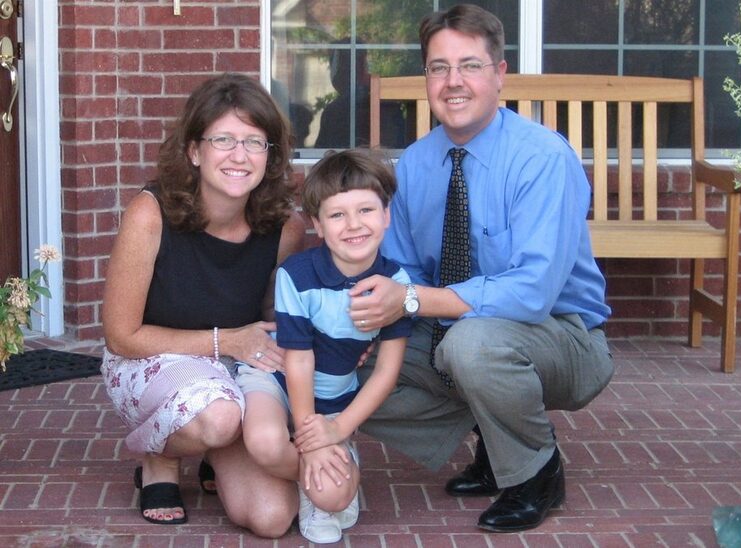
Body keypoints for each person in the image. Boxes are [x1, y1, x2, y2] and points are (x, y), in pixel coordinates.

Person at [347, 4, 615, 532]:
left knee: (474, 346)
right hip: (456, 330)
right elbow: (400, 273)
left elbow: (533, 292)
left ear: (499, 75)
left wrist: (412, 301)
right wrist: (367, 320)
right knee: (342, 367)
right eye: (438, 67)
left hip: (563, 339)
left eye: (469, 65)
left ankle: (537, 472)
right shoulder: (418, 165)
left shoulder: (541, 158)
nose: (453, 82)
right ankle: (498, 438)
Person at [100, 72, 306, 537]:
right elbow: (121, 335)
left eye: (255, 142)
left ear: (270, 156)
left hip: (234, 367)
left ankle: (218, 447)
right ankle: (161, 458)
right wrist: (225, 340)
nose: (240, 155)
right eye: (224, 139)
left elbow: (279, 320)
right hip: (149, 359)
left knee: (271, 517)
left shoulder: (284, 229)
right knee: (219, 416)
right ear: (194, 151)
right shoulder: (150, 214)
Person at [235, 149, 413, 543]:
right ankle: (311, 476)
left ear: (386, 215)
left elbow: (386, 372)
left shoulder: (396, 284)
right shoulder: (297, 276)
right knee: (265, 442)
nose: (354, 225)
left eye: (366, 211)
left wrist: (338, 428)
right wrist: (310, 440)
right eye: (337, 215)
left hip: (334, 396)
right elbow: (298, 360)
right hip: (277, 377)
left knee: (333, 495)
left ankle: (331, 478)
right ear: (317, 223)